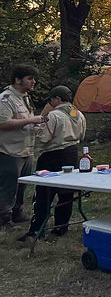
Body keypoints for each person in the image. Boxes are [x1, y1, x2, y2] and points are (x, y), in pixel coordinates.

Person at [19, 86, 86, 241]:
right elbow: (82, 135)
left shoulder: (53, 115)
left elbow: (44, 137)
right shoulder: (78, 113)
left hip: (52, 156)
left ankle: (37, 229)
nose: (50, 103)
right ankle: (61, 227)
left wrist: (37, 128)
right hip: (71, 155)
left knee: (43, 194)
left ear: (57, 99)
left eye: (51, 100)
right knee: (66, 193)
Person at [0, 64, 45, 227]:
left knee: (22, 185)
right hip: (10, 151)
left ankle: (16, 212)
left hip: (26, 150)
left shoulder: (25, 97)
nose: (34, 82)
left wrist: (35, 125)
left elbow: (24, 120)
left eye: (34, 79)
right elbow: (3, 123)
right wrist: (30, 120)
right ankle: (4, 218)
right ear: (17, 80)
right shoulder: (6, 98)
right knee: (8, 186)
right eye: (29, 78)